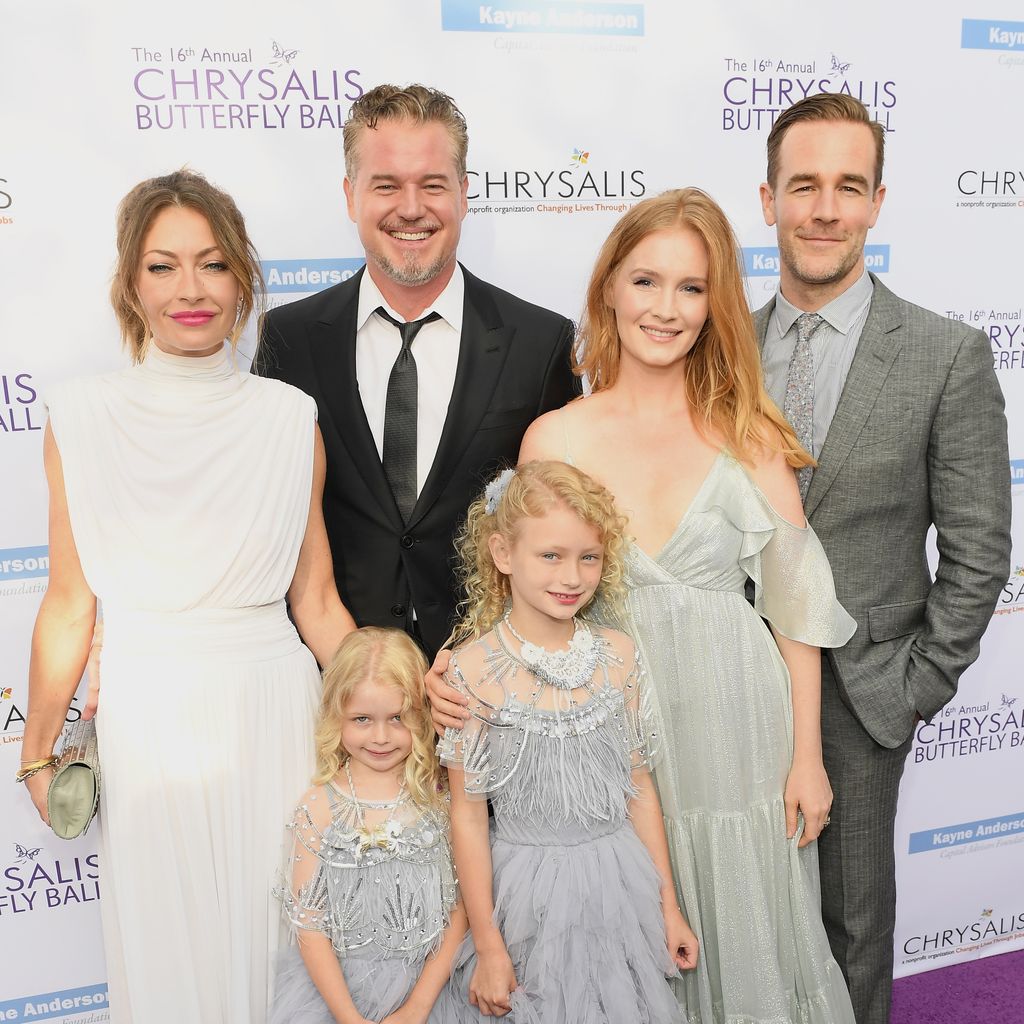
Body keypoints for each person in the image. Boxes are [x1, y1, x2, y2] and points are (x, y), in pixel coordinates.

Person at [430, 188, 859, 1022]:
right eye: (646, 282)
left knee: (745, 923)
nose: (666, 308)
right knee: (629, 923)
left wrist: (807, 755)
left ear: (716, 304)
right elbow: (522, 579)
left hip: (737, 722)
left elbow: (796, 611)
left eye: (692, 288)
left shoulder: (749, 434)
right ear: (609, 292)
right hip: (601, 729)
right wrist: (461, 658)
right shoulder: (555, 437)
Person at [19, 170, 356, 1024]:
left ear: (241, 276)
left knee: (286, 954)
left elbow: (316, 602)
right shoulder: (82, 414)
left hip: (274, 710)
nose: (191, 289)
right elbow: (67, 603)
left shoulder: (289, 417)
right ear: (130, 284)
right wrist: (38, 749)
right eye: (163, 267)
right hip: (148, 722)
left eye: (211, 264)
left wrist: (388, 713)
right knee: (172, 965)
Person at [754, 93, 1011, 1023]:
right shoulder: (716, 349)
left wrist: (910, 690)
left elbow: (980, 550)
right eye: (805, 185)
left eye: (848, 187)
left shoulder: (946, 354)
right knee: (729, 915)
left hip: (864, 701)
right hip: (724, 689)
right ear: (768, 198)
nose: (825, 209)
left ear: (877, 202)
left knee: (851, 932)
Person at [258, 84, 577, 658]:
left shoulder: (540, 343)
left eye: (432, 184)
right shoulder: (288, 341)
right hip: (334, 688)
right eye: (386, 186)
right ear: (351, 195)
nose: (411, 208)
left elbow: (560, 532)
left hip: (493, 690)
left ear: (464, 194)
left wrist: (486, 666)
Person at [434, 461, 697, 1023]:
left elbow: (639, 788)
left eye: (589, 557)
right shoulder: (471, 672)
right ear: (504, 555)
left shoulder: (619, 655)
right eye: (550, 555)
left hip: (618, 886)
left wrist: (668, 907)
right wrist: (487, 944)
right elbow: (468, 815)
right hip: (526, 899)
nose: (572, 576)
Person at [272, 627, 466, 1024]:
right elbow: (310, 928)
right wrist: (349, 1018)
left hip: (434, 993)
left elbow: (461, 910)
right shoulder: (319, 808)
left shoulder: (439, 799)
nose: (380, 737)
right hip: (339, 999)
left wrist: (417, 1007)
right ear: (335, 717)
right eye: (362, 719)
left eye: (397, 718)